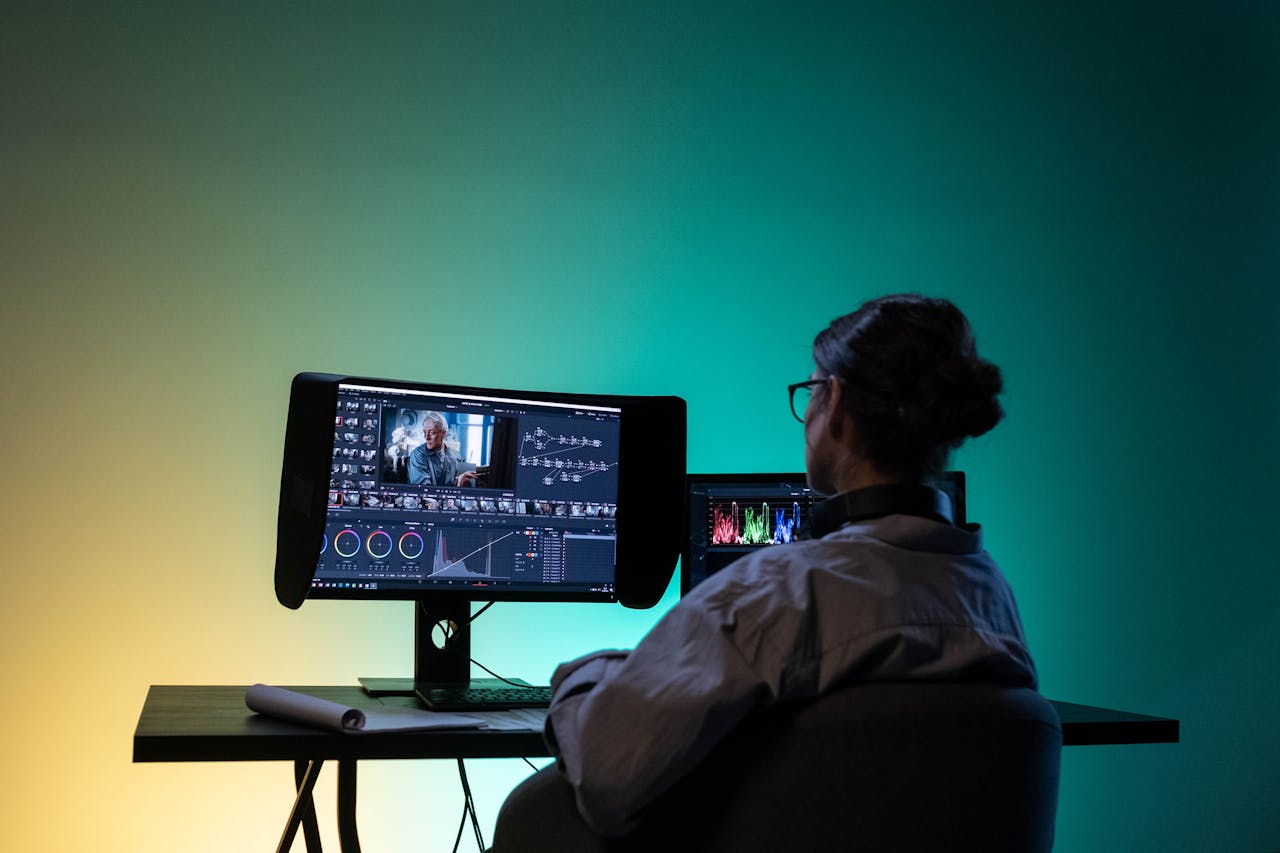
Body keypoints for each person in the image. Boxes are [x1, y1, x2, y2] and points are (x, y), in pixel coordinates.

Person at [535, 294, 1038, 839]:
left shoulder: (778, 593)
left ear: (837, 403)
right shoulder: (991, 598)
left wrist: (584, 678)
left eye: (811, 392)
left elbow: (609, 780)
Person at [407, 412, 477, 487]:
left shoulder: (452, 459)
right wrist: (458, 486)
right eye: (424, 432)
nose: (426, 437)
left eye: (431, 432)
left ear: (443, 434)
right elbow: (424, 492)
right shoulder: (418, 455)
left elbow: (447, 488)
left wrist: (459, 481)